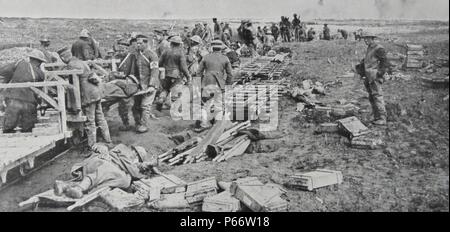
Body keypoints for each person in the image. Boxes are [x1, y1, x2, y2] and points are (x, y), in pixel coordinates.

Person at [53, 144, 158, 199]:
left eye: (137, 156)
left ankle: (64, 186)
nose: (134, 154)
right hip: (100, 162)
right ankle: (80, 189)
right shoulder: (122, 150)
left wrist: (144, 166)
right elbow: (134, 172)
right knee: (110, 172)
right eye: (135, 152)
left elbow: (133, 170)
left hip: (97, 168)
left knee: (121, 179)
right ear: (133, 150)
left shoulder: (131, 163)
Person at [58, 47, 112, 148]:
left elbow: (71, 82)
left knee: (90, 121)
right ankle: (108, 141)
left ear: (63, 57)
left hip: (88, 95)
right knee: (100, 118)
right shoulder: (80, 62)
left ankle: (92, 146)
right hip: (96, 92)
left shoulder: (71, 65)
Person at [1, 50, 47, 133]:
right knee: (28, 127)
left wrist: (6, 82)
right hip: (29, 102)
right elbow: (39, 90)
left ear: (30, 58)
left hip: (13, 99)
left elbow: (3, 71)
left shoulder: (19, 63)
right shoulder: (40, 73)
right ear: (38, 61)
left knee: (8, 126)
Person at [196, 40, 233, 130]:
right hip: (219, 83)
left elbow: (198, 72)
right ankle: (218, 124)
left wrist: (199, 84)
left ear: (212, 47)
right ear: (221, 48)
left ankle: (204, 124)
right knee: (219, 105)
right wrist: (228, 85)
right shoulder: (225, 58)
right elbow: (230, 74)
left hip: (207, 83)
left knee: (205, 105)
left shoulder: (206, 57)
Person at [356, 32, 388, 125]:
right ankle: (376, 116)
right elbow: (369, 60)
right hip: (368, 76)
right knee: (371, 97)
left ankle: (382, 118)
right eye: (364, 38)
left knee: (377, 96)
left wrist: (379, 73)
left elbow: (385, 62)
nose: (365, 40)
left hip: (374, 76)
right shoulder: (370, 47)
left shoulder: (379, 48)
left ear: (372, 38)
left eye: (367, 38)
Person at [158, 36, 192, 111]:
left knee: (165, 89)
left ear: (171, 43)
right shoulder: (180, 53)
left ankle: (161, 99)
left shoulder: (166, 51)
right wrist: (188, 76)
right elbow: (183, 67)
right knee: (175, 91)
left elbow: (159, 62)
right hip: (176, 75)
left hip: (165, 74)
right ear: (179, 44)